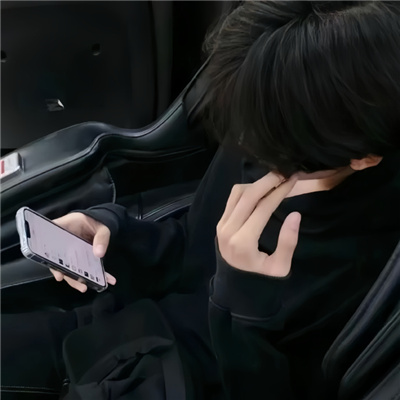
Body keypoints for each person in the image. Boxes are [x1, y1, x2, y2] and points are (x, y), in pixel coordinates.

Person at [2, 1, 400, 399]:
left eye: (271, 153)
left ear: (363, 159)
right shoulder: (265, 121)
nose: (245, 147)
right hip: (124, 327)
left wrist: (244, 299)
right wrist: (112, 231)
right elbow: (189, 246)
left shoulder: (365, 269)